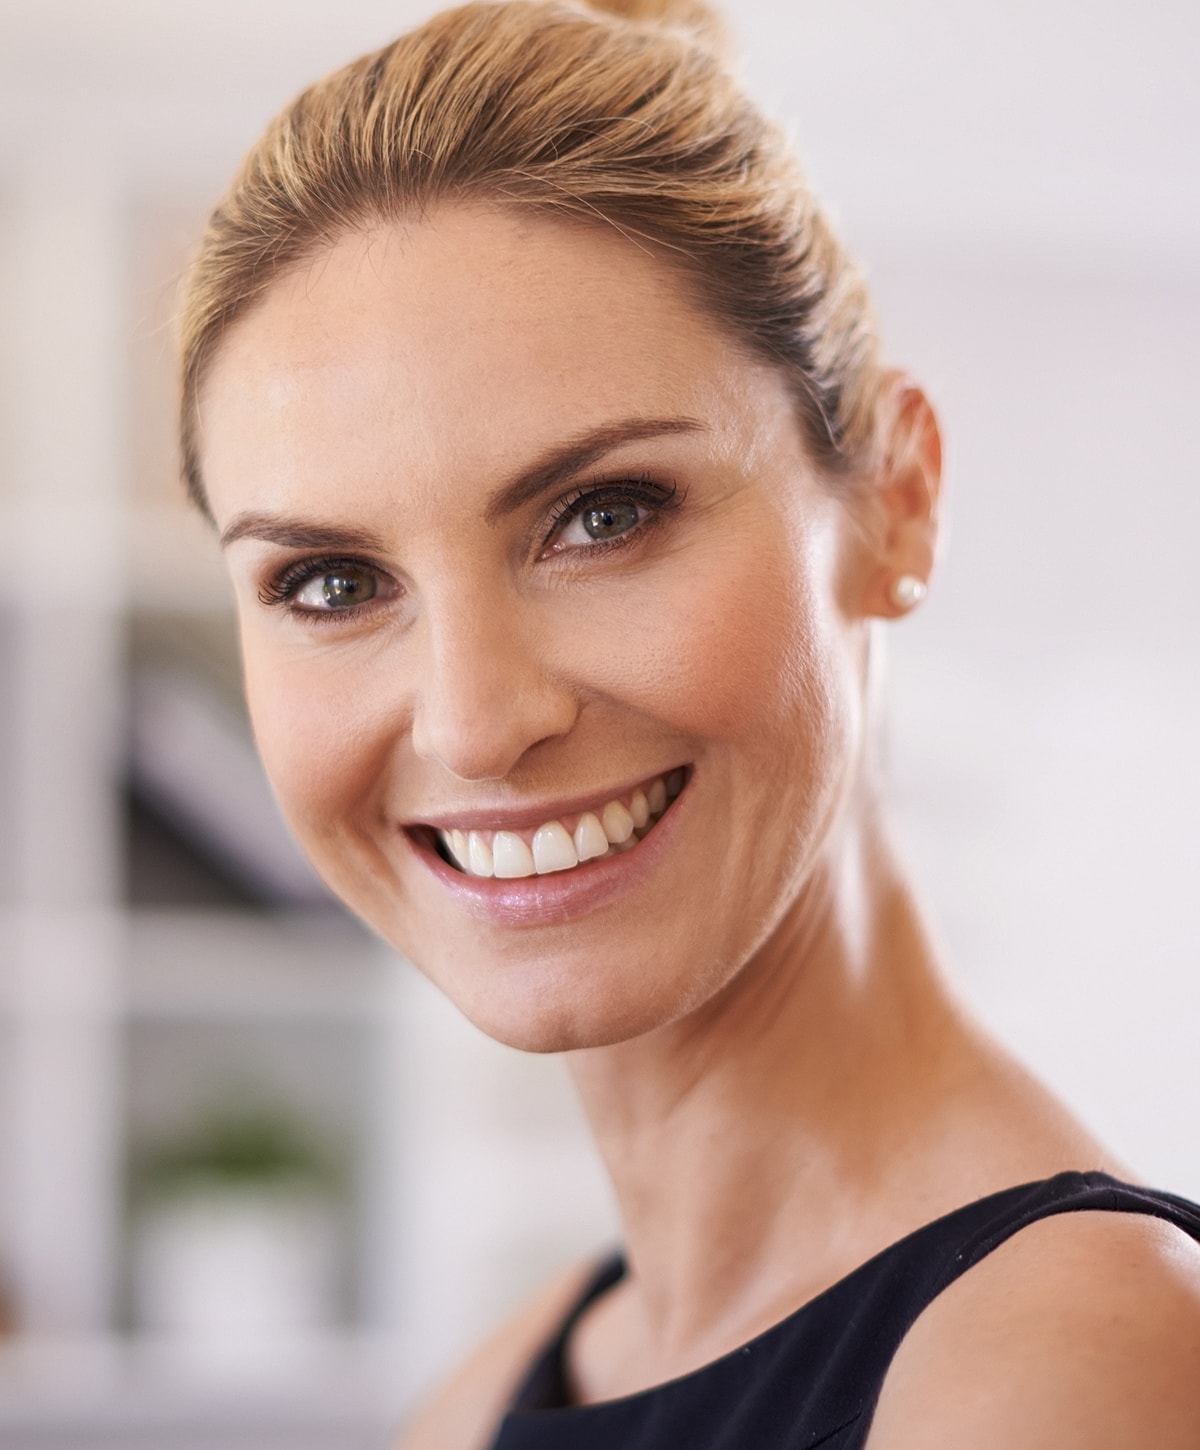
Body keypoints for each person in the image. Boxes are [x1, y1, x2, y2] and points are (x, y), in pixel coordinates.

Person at [176, 1, 1200, 1445]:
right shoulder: (486, 1399)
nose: (475, 721)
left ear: (896, 499)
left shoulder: (1072, 1370)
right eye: (332, 580)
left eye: (604, 515)